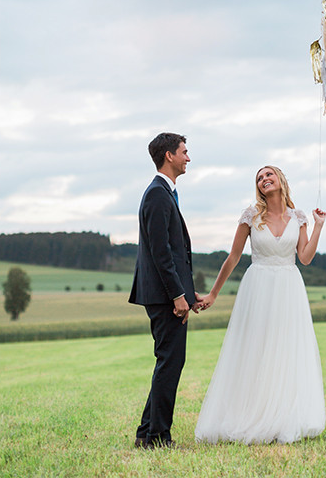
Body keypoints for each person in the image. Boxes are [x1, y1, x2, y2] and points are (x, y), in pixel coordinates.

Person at [194, 165, 326, 444]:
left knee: (286, 350)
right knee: (255, 349)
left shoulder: (299, 217)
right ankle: (251, 414)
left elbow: (304, 257)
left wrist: (318, 227)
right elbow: (232, 258)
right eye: (259, 178)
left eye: (269, 174)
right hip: (258, 287)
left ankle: (283, 416)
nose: (265, 179)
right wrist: (213, 294)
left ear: (280, 180)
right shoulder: (250, 216)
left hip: (289, 288)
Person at [128, 132, 206, 449]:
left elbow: (173, 252)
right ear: (169, 156)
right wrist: (177, 296)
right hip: (164, 297)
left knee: (168, 361)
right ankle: (158, 437)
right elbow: (161, 253)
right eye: (185, 152)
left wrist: (188, 291)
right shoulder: (157, 194)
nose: (189, 157)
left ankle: (146, 432)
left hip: (169, 294)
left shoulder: (164, 192)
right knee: (170, 362)